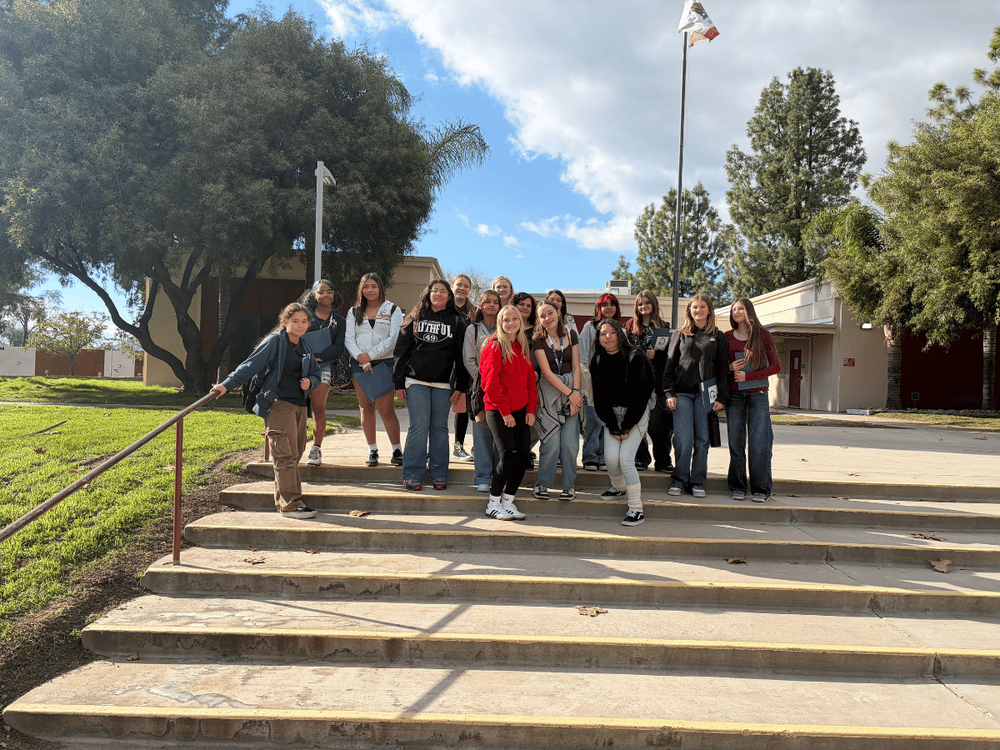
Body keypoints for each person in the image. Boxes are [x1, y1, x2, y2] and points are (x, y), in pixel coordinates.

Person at [210, 303, 322, 519]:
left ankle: (282, 502)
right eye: (295, 321)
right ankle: (292, 504)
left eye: (304, 322)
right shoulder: (275, 342)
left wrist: (312, 382)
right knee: (285, 454)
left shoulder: (304, 346)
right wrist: (226, 385)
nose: (300, 325)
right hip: (279, 405)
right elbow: (250, 365)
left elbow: (316, 373)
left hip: (299, 405)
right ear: (285, 322)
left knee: (294, 454)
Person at [393, 279, 468, 491]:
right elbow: (401, 351)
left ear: (449, 297)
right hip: (415, 380)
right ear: (428, 293)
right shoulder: (415, 317)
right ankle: (412, 473)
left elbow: (461, 356)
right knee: (419, 426)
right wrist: (399, 382)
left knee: (439, 428)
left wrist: (460, 386)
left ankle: (439, 473)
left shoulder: (457, 320)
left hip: (444, 384)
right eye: (435, 290)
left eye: (444, 291)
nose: (439, 294)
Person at [662, 294, 729, 499]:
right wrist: (669, 392)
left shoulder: (719, 336)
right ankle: (680, 481)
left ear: (709, 310)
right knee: (683, 439)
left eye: (702, 307)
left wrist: (722, 398)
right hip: (681, 393)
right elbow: (669, 366)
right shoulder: (679, 335)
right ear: (689, 311)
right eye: (694, 308)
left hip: (705, 395)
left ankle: (698, 482)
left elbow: (722, 370)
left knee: (702, 439)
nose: (698, 311)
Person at [590, 319, 655, 526]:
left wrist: (626, 425)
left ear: (620, 334)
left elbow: (642, 395)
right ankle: (619, 487)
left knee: (625, 459)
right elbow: (599, 398)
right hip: (612, 415)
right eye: (602, 334)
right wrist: (612, 424)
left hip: (635, 414)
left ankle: (636, 509)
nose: (607, 337)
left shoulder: (636, 356)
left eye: (611, 333)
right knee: (610, 459)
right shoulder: (597, 360)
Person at [480, 305, 537, 521]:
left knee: (523, 457)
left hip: (521, 410)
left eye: (515, 319)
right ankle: (493, 503)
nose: (511, 323)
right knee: (507, 457)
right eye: (506, 320)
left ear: (520, 322)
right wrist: (505, 411)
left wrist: (530, 409)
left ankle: (508, 501)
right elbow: (490, 382)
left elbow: (531, 380)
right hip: (498, 410)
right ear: (500, 323)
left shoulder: (522, 346)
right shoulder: (494, 346)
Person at [345, 272, 404, 468]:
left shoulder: (393, 309)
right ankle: (372, 450)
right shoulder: (353, 312)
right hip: (359, 364)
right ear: (361, 289)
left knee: (386, 409)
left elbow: (393, 339)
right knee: (366, 407)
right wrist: (362, 359)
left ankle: (396, 450)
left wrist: (371, 356)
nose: (370, 290)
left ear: (381, 288)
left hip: (383, 363)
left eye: (374, 286)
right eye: (366, 286)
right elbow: (349, 339)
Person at [726, 297, 781, 502]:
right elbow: (720, 365)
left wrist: (749, 377)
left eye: (740, 308)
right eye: (733, 309)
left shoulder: (763, 335)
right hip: (734, 395)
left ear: (749, 310)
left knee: (759, 442)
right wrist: (730, 368)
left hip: (758, 394)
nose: (736, 311)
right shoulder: (727, 337)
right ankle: (738, 486)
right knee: (736, 441)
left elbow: (775, 367)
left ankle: (761, 488)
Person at [531, 301, 584, 501]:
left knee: (569, 444)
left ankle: (569, 486)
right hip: (549, 395)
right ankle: (543, 484)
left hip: (573, 392)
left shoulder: (571, 335)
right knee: (550, 442)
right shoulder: (538, 339)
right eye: (542, 315)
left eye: (550, 313)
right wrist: (571, 394)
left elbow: (577, 367)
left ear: (559, 313)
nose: (547, 318)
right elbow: (546, 372)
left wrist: (576, 393)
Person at [299, 279, 346, 467]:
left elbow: (339, 346)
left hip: (324, 367)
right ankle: (295, 447)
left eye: (330, 291)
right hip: (301, 366)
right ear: (314, 295)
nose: (326, 294)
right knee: (298, 408)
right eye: (321, 291)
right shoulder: (304, 316)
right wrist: (309, 358)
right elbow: (296, 337)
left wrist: (320, 358)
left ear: (334, 295)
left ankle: (316, 449)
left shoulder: (339, 321)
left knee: (318, 408)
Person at [626, 291, 673, 474]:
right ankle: (641, 458)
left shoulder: (665, 328)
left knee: (659, 425)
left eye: (647, 303)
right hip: (636, 383)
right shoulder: (629, 328)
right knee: (637, 423)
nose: (643, 306)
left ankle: (663, 460)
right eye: (640, 304)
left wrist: (657, 356)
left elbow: (671, 358)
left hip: (658, 383)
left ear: (653, 304)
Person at [578, 292, 622, 472]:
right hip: (592, 380)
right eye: (605, 304)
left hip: (613, 382)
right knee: (592, 420)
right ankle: (590, 457)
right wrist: (587, 376)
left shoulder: (621, 329)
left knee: (609, 420)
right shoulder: (590, 326)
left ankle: (604, 457)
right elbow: (582, 352)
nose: (609, 308)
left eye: (612, 304)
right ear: (599, 308)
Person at [464, 289, 501, 493]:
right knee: (481, 434)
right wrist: (484, 381)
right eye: (487, 301)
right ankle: (483, 477)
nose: (492, 305)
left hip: (502, 391)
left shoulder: (506, 328)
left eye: (495, 302)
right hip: (480, 389)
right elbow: (468, 359)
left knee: (500, 435)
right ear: (480, 305)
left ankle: (499, 475)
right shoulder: (473, 330)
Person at [450, 274, 476, 463]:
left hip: (463, 365)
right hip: (440, 364)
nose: (462, 288)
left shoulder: (473, 312)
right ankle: (432, 447)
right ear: (452, 286)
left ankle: (458, 446)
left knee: (461, 407)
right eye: (459, 285)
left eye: (466, 286)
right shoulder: (441, 306)